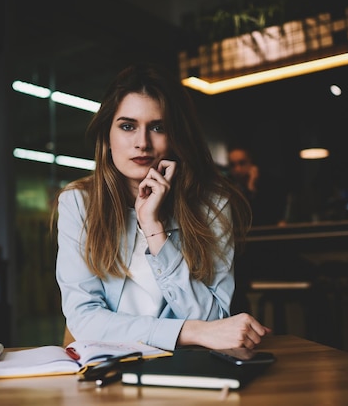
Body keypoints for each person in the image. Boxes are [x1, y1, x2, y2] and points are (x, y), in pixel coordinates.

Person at [52, 63, 271, 352]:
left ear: (175, 137)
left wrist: (153, 228)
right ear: (107, 135)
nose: (142, 143)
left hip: (189, 367)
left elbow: (214, 319)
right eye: (127, 126)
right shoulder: (78, 203)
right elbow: (84, 319)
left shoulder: (213, 203)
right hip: (107, 367)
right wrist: (186, 331)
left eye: (158, 127)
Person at [227, 146, 288, 226]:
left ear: (251, 163)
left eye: (242, 163)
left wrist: (251, 187)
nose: (237, 169)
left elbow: (269, 217)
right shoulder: (228, 188)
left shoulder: (270, 185)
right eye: (232, 165)